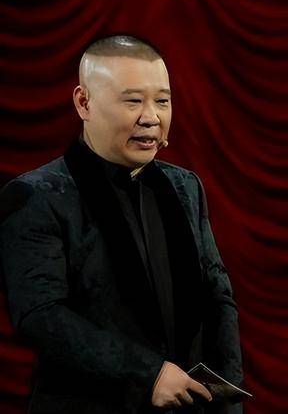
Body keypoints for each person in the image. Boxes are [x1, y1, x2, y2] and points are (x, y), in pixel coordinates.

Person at [0, 35, 243, 414]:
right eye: (133, 101)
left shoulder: (184, 187)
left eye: (162, 101)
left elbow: (218, 298)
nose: (151, 117)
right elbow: (41, 315)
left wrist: (228, 397)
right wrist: (147, 375)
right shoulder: (38, 195)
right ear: (84, 103)